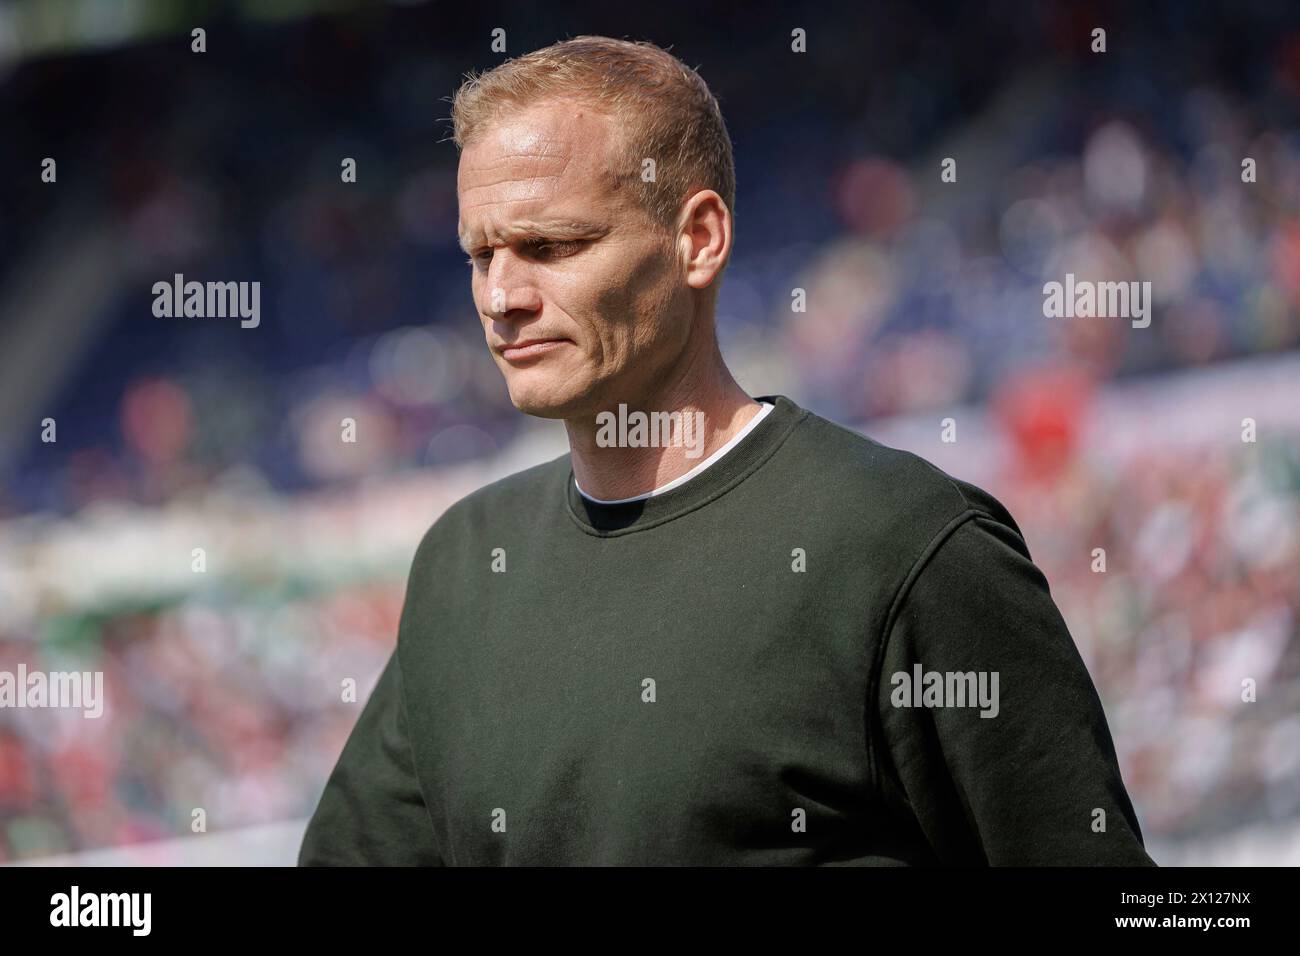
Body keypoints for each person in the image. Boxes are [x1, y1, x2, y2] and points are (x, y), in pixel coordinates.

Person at [299, 35, 1155, 866]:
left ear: (697, 239)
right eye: (480, 253)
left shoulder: (906, 548)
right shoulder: (463, 563)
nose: (501, 296)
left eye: (551, 247)